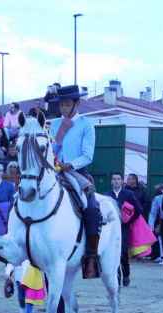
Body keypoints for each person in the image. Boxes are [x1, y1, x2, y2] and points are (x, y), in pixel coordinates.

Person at [48, 84, 103, 279]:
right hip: (52, 171)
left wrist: (69, 164)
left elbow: (88, 156)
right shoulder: (54, 124)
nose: (63, 108)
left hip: (76, 172)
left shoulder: (87, 124)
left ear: (76, 104)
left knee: (91, 207)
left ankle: (91, 255)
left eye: (67, 104)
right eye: (61, 105)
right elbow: (50, 150)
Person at [108, 172, 142, 286]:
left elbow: (138, 210)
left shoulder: (129, 194)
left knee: (122, 252)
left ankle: (126, 274)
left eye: (118, 179)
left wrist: (129, 220)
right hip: (111, 229)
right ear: (111, 181)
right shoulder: (107, 195)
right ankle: (117, 277)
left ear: (122, 181)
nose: (116, 181)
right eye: (114, 179)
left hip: (124, 228)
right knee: (113, 253)